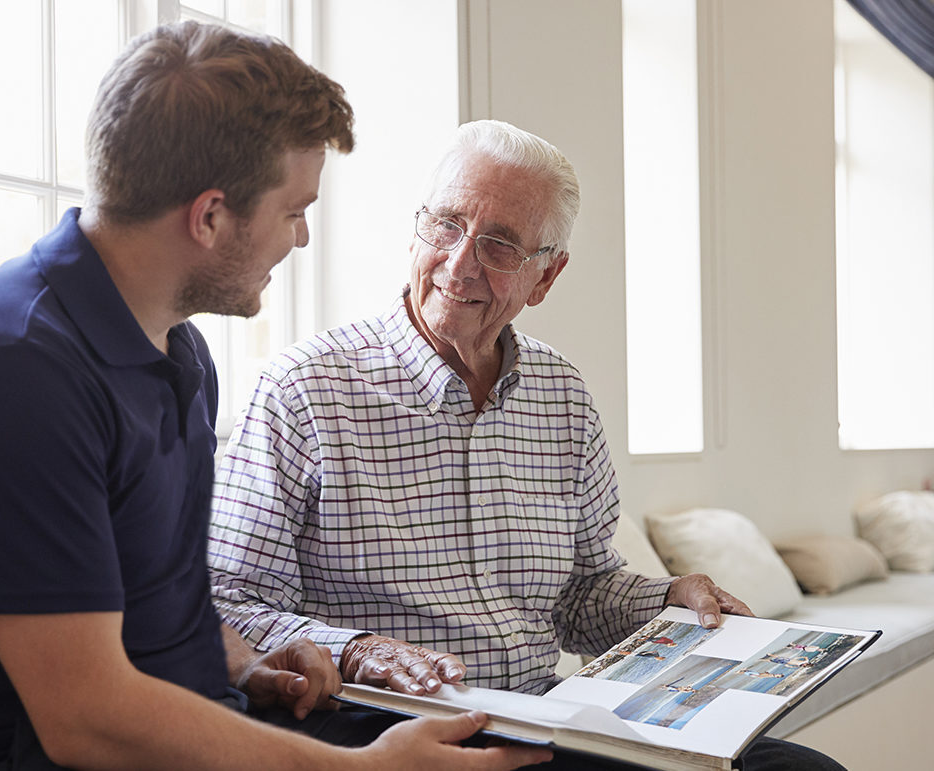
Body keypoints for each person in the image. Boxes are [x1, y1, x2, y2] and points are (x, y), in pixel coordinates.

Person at [0, 24, 551, 771]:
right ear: (210, 216)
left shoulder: (178, 348)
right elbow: (87, 717)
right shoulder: (17, 368)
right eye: (293, 210)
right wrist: (368, 770)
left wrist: (247, 662)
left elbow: (158, 606)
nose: (303, 238)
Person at [208, 120, 845, 769]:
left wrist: (667, 599)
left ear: (546, 277)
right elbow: (226, 601)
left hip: (546, 716)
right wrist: (355, 647)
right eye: (447, 224)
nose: (459, 263)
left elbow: (582, 594)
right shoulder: (305, 388)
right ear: (416, 227)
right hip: (383, 726)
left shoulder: (562, 394)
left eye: (499, 245)